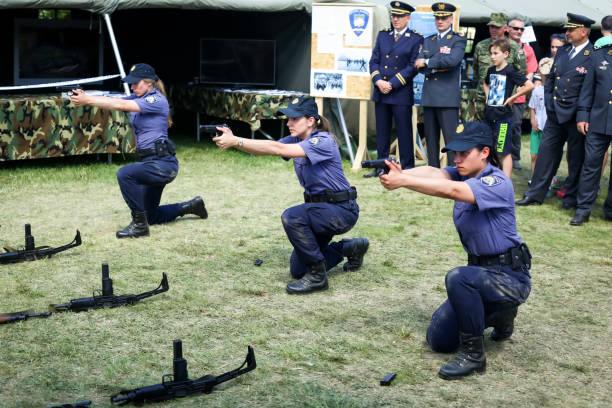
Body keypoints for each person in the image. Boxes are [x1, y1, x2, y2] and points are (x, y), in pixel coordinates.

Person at [379, 122, 532, 380]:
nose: (457, 159)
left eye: (464, 153)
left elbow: (451, 190)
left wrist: (402, 181)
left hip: (509, 278)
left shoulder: (497, 181)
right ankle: (497, 314)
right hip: (480, 275)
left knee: (458, 277)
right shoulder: (464, 173)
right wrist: (401, 171)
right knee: (438, 340)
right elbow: (435, 173)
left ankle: (474, 355)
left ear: (484, 152)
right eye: (454, 153)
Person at [213, 97, 369, 294]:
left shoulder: (322, 140)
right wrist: (234, 140)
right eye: (288, 119)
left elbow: (278, 148)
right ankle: (350, 247)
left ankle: (318, 279)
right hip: (321, 211)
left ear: (311, 120)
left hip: (341, 210)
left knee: (292, 216)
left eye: (294, 119)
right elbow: (270, 148)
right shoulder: (298, 139)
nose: (288, 123)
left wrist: (237, 140)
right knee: (298, 270)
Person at [71, 63, 208, 238]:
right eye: (131, 83)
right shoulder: (138, 98)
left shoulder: (155, 100)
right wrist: (85, 95)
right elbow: (114, 99)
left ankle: (139, 225)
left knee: (125, 174)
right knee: (151, 215)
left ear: (149, 84)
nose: (133, 86)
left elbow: (121, 106)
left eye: (137, 83)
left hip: (162, 164)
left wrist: (87, 101)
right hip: (151, 162)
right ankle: (191, 206)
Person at [517, 13, 595, 208]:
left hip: (577, 114)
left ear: (583, 32)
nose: (566, 33)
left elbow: (590, 88)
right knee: (545, 155)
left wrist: (583, 113)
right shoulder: (563, 51)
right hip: (555, 112)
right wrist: (550, 104)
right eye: (566, 29)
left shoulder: (593, 55)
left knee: (576, 159)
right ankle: (535, 194)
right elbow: (551, 78)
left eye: (571, 29)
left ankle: (570, 198)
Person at [366, 1, 423, 176]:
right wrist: (378, 81)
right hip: (381, 91)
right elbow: (374, 60)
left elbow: (413, 66)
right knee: (381, 132)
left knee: (404, 132)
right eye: (393, 16)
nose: (395, 19)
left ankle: (407, 169)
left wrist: (392, 84)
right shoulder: (383, 35)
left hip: (400, 92)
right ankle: (381, 167)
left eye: (399, 16)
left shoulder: (416, 38)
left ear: (408, 18)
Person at [414, 2, 466, 168]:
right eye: (437, 18)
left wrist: (428, 62)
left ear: (451, 19)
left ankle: (452, 171)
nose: (440, 21)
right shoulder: (428, 41)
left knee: (451, 140)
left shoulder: (458, 40)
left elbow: (452, 60)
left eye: (444, 18)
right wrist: (437, 67)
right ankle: (433, 170)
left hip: (447, 98)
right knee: (431, 138)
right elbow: (419, 66)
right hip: (429, 96)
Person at [571, 15, 612, 225]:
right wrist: (583, 115)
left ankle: (610, 209)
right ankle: (583, 209)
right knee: (591, 165)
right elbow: (587, 89)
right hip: (597, 118)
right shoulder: (597, 55)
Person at [483, 39, 534, 177]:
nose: (492, 56)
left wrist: (512, 98)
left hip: (503, 118)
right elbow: (485, 83)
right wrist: (487, 97)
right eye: (491, 54)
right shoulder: (491, 70)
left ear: (505, 54)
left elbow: (530, 85)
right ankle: (491, 176)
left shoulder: (510, 71)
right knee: (489, 149)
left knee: (503, 151)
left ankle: (505, 181)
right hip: (489, 116)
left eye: (496, 53)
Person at [467, 12, 527, 122]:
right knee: (482, 132)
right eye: (491, 26)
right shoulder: (481, 46)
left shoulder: (514, 47)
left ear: (505, 28)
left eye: (497, 27)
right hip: (482, 99)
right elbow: (476, 70)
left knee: (502, 135)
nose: (493, 30)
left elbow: (522, 73)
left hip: (503, 102)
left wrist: (512, 98)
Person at [507, 18, 538, 171]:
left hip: (518, 95)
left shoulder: (527, 49)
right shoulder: (501, 45)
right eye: (515, 28)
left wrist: (524, 85)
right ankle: (496, 156)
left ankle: (514, 158)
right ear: (507, 29)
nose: (519, 31)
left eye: (521, 29)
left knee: (515, 126)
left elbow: (532, 70)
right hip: (501, 94)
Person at [528, 58, 553, 177]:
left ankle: (549, 179)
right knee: (534, 155)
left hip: (549, 128)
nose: (547, 76)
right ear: (539, 72)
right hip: (537, 127)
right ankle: (534, 179)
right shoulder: (536, 90)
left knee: (548, 156)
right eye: (545, 73)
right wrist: (533, 121)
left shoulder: (555, 90)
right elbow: (532, 107)